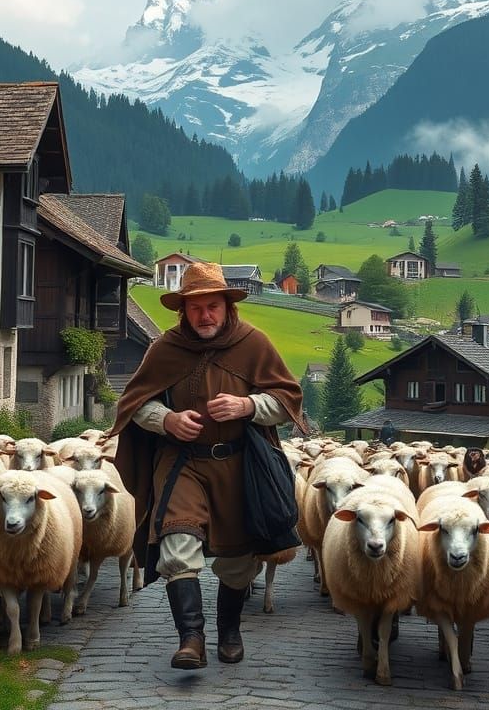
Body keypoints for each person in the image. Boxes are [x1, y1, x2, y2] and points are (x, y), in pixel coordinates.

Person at [111, 262, 304, 671]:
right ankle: (191, 640)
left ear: (227, 307)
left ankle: (229, 629)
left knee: (238, 561)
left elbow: (287, 401)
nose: (205, 316)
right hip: (182, 463)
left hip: (239, 466)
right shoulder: (165, 348)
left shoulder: (254, 343)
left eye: (212, 306)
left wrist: (248, 405)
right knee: (177, 547)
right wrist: (167, 419)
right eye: (195, 308)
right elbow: (134, 403)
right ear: (183, 310)